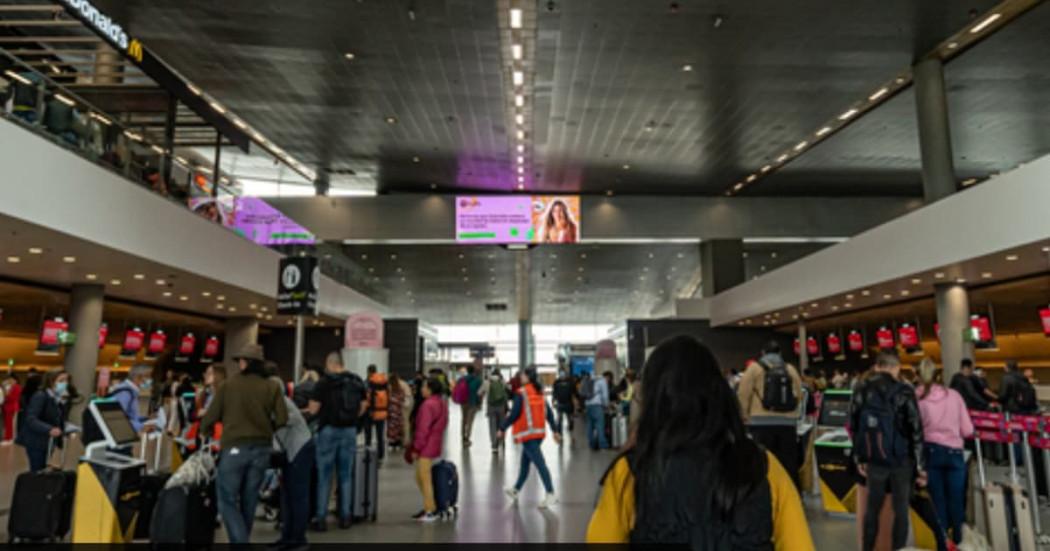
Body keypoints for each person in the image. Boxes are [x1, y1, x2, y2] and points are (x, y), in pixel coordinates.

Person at [586, 336, 814, 549]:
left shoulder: (631, 471)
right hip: (785, 427)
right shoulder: (764, 467)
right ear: (719, 393)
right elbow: (799, 544)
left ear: (653, 399)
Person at [201, 345, 288, 544]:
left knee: (227, 499)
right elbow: (282, 418)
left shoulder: (228, 385)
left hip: (234, 448)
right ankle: (241, 541)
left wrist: (207, 432)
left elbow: (210, 417)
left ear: (244, 362)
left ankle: (240, 543)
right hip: (262, 449)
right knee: (249, 499)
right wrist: (267, 429)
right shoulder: (272, 386)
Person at [849, 352, 925, 551]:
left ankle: (867, 548)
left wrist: (859, 457)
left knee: (872, 509)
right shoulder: (904, 390)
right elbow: (916, 428)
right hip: (901, 460)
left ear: (877, 366)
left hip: (875, 458)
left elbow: (854, 424)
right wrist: (920, 465)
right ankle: (898, 548)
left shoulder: (862, 388)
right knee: (901, 510)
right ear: (896, 367)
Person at [307, 351, 368, 532]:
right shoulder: (356, 380)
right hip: (349, 431)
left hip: (328, 430)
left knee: (324, 476)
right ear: (342, 363)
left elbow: (313, 409)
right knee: (345, 475)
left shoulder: (323, 382)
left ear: (330, 363)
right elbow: (364, 405)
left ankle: (321, 518)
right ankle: (345, 517)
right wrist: (352, 418)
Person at [916, 358, 973, 547]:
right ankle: (960, 544)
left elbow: (914, 430)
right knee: (957, 502)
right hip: (955, 453)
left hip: (931, 452)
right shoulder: (954, 396)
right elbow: (968, 430)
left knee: (938, 503)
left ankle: (943, 545)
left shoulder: (917, 397)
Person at [736, 341, 803, 489]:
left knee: (763, 461)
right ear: (780, 353)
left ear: (762, 353)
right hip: (787, 424)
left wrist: (744, 416)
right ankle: (791, 492)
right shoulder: (790, 369)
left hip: (760, 423)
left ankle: (766, 491)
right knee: (788, 461)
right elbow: (799, 393)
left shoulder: (754, 368)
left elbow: (743, 394)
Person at [498, 368, 562, 508]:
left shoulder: (521, 393)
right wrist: (555, 430)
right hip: (538, 434)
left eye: (523, 375)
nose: (520, 377)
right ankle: (516, 490)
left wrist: (502, 428)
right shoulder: (539, 392)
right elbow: (549, 413)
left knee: (540, 464)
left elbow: (514, 414)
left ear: (528, 377)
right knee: (525, 464)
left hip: (527, 434)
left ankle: (550, 493)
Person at [268, 368, 315, 550]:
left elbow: (281, 421)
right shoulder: (279, 402)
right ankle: (287, 538)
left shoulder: (283, 403)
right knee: (287, 496)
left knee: (297, 496)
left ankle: (298, 539)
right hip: (293, 451)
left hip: (299, 449)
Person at [409, 377, 449, 522]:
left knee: (424, 478)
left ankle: (430, 510)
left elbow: (422, 429)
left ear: (430, 389)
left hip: (426, 445)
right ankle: (430, 505)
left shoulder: (427, 405)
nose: (422, 389)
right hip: (435, 442)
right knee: (420, 476)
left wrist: (416, 448)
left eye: (424, 387)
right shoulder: (442, 403)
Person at [16, 369, 68, 472]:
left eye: (66, 380)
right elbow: (31, 419)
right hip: (36, 441)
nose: (65, 383)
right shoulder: (40, 396)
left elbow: (57, 417)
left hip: (47, 441)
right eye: (61, 380)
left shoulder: (56, 397)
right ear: (51, 381)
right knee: (37, 471)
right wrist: (49, 429)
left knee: (43, 469)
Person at [109, 365, 156, 435]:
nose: (150, 380)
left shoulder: (131, 391)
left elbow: (130, 415)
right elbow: (117, 418)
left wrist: (146, 418)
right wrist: (141, 427)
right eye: (147, 376)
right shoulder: (125, 393)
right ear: (137, 377)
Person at [364, 365, 390, 461]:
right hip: (382, 411)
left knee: (368, 435)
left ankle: (368, 455)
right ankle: (380, 455)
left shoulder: (368, 382)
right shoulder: (384, 381)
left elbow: (365, 396)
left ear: (369, 372)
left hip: (370, 412)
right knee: (380, 435)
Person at [455, 362, 483, 446]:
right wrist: (479, 404)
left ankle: (463, 437)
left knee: (464, 419)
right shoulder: (478, 380)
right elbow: (480, 393)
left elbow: (456, 389)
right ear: (474, 371)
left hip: (463, 402)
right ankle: (467, 438)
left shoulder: (461, 379)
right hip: (472, 402)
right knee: (470, 421)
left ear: (467, 371)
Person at [583, 371, 610, 450]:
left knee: (590, 425)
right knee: (600, 425)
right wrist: (606, 405)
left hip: (588, 405)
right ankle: (602, 444)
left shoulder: (588, 379)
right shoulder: (602, 381)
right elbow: (605, 395)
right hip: (597, 405)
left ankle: (591, 443)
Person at [485, 370, 510, 453]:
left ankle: (494, 445)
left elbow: (479, 392)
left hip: (491, 407)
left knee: (492, 426)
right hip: (501, 407)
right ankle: (502, 440)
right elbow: (509, 389)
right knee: (501, 424)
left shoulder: (488, 382)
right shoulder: (502, 381)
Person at [387, 373, 411, 450]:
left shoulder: (389, 388)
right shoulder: (401, 387)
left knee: (391, 427)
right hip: (399, 410)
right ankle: (399, 443)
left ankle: (391, 443)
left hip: (391, 411)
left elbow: (388, 399)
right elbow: (405, 398)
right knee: (400, 426)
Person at [2, 375, 21, 444]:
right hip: (8, 407)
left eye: (11, 380)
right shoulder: (11, 387)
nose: (9, 381)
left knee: (11, 424)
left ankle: (10, 439)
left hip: (12, 407)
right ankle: (8, 437)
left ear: (15, 380)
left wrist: (5, 391)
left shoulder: (17, 387)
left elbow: (11, 397)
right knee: (8, 423)